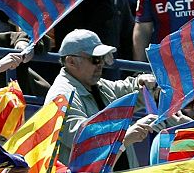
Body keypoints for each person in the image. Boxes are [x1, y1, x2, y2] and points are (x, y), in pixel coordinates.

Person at [44, 29, 154, 160]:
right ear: (71, 62)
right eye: (95, 59)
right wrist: (125, 135)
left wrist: (144, 82)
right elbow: (82, 138)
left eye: (102, 58)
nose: (101, 64)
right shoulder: (61, 96)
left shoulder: (98, 84)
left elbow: (129, 91)